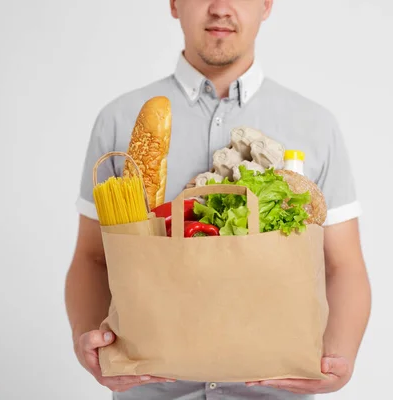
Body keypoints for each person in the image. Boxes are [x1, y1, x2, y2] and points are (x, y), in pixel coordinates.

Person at [65, 0, 371, 399]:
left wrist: (339, 358)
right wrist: (87, 341)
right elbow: (92, 257)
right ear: (175, 4)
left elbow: (343, 265)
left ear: (266, 6)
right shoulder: (121, 120)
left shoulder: (315, 125)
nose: (221, 7)